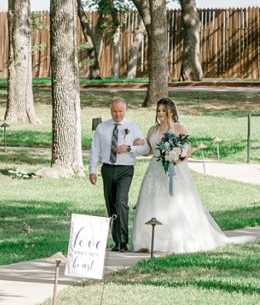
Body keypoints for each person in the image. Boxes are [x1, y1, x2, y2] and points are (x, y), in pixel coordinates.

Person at [131, 97, 228, 254]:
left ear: (171, 112)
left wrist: (177, 158)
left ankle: (176, 241)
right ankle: (148, 242)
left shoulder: (180, 129)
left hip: (175, 172)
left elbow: (187, 151)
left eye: (163, 110)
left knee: (175, 203)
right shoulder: (152, 130)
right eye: (158, 110)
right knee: (151, 203)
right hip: (154, 171)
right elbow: (149, 150)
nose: (160, 113)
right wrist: (138, 144)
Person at [88, 98, 148, 252]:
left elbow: (145, 148)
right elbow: (95, 149)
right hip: (108, 168)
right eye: (115, 111)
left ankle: (123, 241)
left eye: (120, 111)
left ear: (125, 110)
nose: (117, 114)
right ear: (110, 111)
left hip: (125, 169)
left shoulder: (132, 127)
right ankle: (116, 241)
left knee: (121, 202)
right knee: (111, 204)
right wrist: (92, 170)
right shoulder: (102, 128)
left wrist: (129, 148)